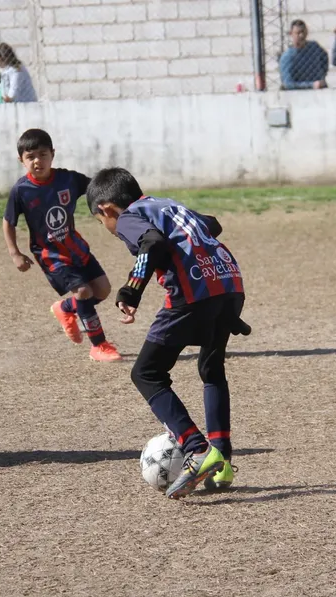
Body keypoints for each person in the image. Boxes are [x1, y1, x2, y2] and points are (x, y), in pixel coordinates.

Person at [86, 168, 247, 499]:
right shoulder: (167, 205)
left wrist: (131, 290)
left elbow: (153, 242)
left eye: (103, 223)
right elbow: (211, 223)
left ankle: (197, 449)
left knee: (146, 373)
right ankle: (222, 460)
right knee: (211, 370)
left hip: (194, 294)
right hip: (229, 283)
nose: (110, 229)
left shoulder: (130, 216)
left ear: (106, 209)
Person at [2, 129, 120, 362]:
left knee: (103, 290)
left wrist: (113, 200)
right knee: (84, 291)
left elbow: (95, 188)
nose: (38, 161)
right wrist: (15, 253)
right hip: (50, 254)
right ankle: (99, 346)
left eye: (43, 154)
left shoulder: (67, 179)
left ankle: (66, 308)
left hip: (75, 246)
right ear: (21, 160)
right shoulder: (21, 190)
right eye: (30, 156)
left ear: (52, 154)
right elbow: (8, 222)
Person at [279, 19, 329, 90]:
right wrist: (311, 85)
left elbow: (324, 58)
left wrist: (322, 76)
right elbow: (288, 84)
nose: (301, 35)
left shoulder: (314, 47)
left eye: (303, 32)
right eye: (298, 33)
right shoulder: (288, 57)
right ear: (291, 34)